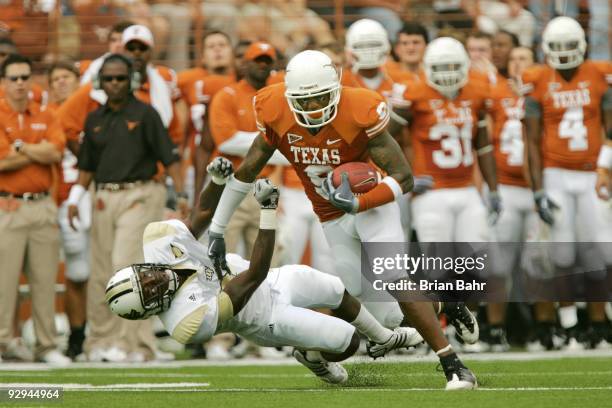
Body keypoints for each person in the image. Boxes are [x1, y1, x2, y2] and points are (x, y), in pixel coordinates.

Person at [196, 49, 479, 390]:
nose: (313, 108)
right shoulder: (275, 111)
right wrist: (217, 228)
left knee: (394, 277)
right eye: (305, 100)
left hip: (371, 206)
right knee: (384, 313)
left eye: (320, 99)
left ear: (336, 91)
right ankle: (445, 300)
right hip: (330, 215)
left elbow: (402, 177)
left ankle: (454, 365)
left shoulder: (358, 109)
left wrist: (360, 202)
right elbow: (246, 173)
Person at [107, 160, 422, 383]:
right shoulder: (185, 323)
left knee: (337, 290)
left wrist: (216, 182)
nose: (154, 279)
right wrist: (268, 211)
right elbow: (255, 274)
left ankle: (383, 338)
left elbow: (202, 214)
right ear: (153, 308)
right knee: (348, 341)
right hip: (264, 319)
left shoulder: (159, 240)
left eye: (144, 275)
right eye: (148, 289)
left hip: (273, 280)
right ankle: (313, 358)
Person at [65, 54, 186, 362]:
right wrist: (75, 198)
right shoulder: (94, 119)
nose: (115, 83)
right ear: (99, 82)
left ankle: (133, 343)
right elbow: (87, 166)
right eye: (109, 78)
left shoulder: (146, 114)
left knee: (127, 268)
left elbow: (170, 159)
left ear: (131, 81)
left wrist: (181, 195)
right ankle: (100, 341)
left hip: (140, 193)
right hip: (102, 196)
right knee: (102, 273)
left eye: (120, 78)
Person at [522, 16, 612, 349]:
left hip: (591, 172)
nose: (562, 53)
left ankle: (600, 324)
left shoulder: (599, 75)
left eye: (568, 46)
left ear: (582, 46)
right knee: (561, 254)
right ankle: (570, 325)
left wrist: (604, 169)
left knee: (601, 250)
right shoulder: (536, 79)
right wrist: (538, 188)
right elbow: (531, 140)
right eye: (556, 47)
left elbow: (611, 128)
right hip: (556, 174)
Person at [0, 54, 70, 366]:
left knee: (44, 279)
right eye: (13, 78)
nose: (19, 83)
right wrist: (35, 150)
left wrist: (20, 147)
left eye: (25, 77)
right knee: (4, 280)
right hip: (8, 204)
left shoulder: (46, 114)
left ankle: (46, 344)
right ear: (3, 82)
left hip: (42, 204)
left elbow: (55, 150)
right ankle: (4, 342)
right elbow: (1, 162)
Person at [208, 42, 287, 261]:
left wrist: (275, 147)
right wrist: (274, 143)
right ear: (244, 64)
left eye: (267, 61)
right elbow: (226, 141)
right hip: (232, 183)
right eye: (257, 60)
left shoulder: (278, 95)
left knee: (269, 260)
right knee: (224, 257)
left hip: (265, 185)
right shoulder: (227, 95)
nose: (262, 65)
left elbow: (288, 144)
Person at [486, 45, 537, 351]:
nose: (518, 63)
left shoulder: (542, 89)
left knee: (539, 265)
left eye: (525, 58)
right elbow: (484, 140)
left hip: (535, 189)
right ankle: (496, 330)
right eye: (514, 58)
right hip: (505, 186)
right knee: (499, 265)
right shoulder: (495, 93)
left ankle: (544, 328)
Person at [47, 60, 90, 360]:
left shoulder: (93, 114)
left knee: (84, 272)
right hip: (53, 200)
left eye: (67, 77)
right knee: (46, 272)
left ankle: (81, 336)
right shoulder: (42, 116)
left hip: (87, 198)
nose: (61, 83)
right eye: (56, 79)